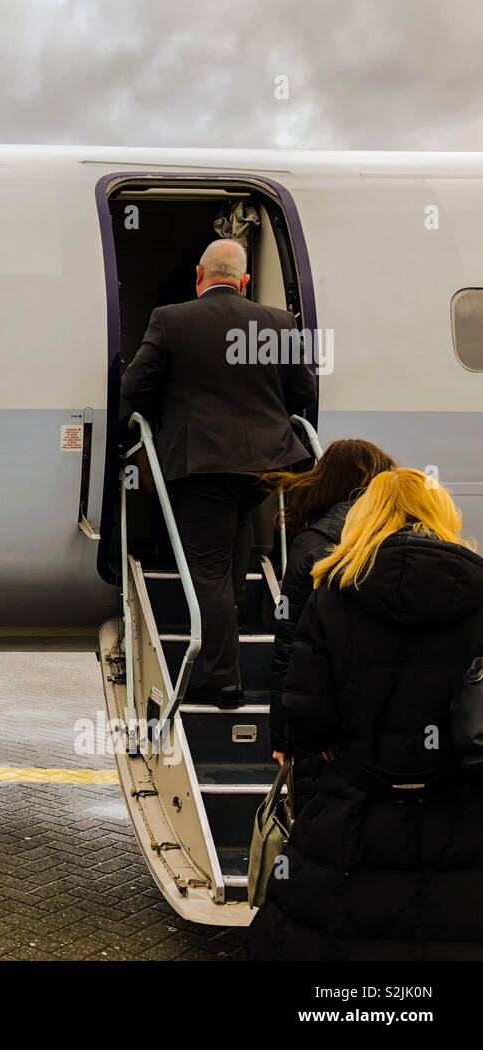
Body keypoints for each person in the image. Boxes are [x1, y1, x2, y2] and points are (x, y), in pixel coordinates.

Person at [248, 469, 483, 960]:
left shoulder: (333, 591)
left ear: (366, 514)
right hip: (459, 814)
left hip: (355, 812)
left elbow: (308, 715)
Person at [121, 239, 317, 706]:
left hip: (202, 462)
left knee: (207, 569)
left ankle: (224, 680)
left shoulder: (171, 319)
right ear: (244, 281)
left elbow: (135, 387)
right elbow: (302, 391)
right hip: (264, 467)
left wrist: (168, 418)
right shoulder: (277, 322)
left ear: (198, 274)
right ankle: (227, 639)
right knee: (234, 548)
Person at [260, 439, 396, 760]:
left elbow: (290, 642)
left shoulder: (312, 544)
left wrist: (282, 735)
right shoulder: (404, 536)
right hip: (393, 720)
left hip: (325, 723)